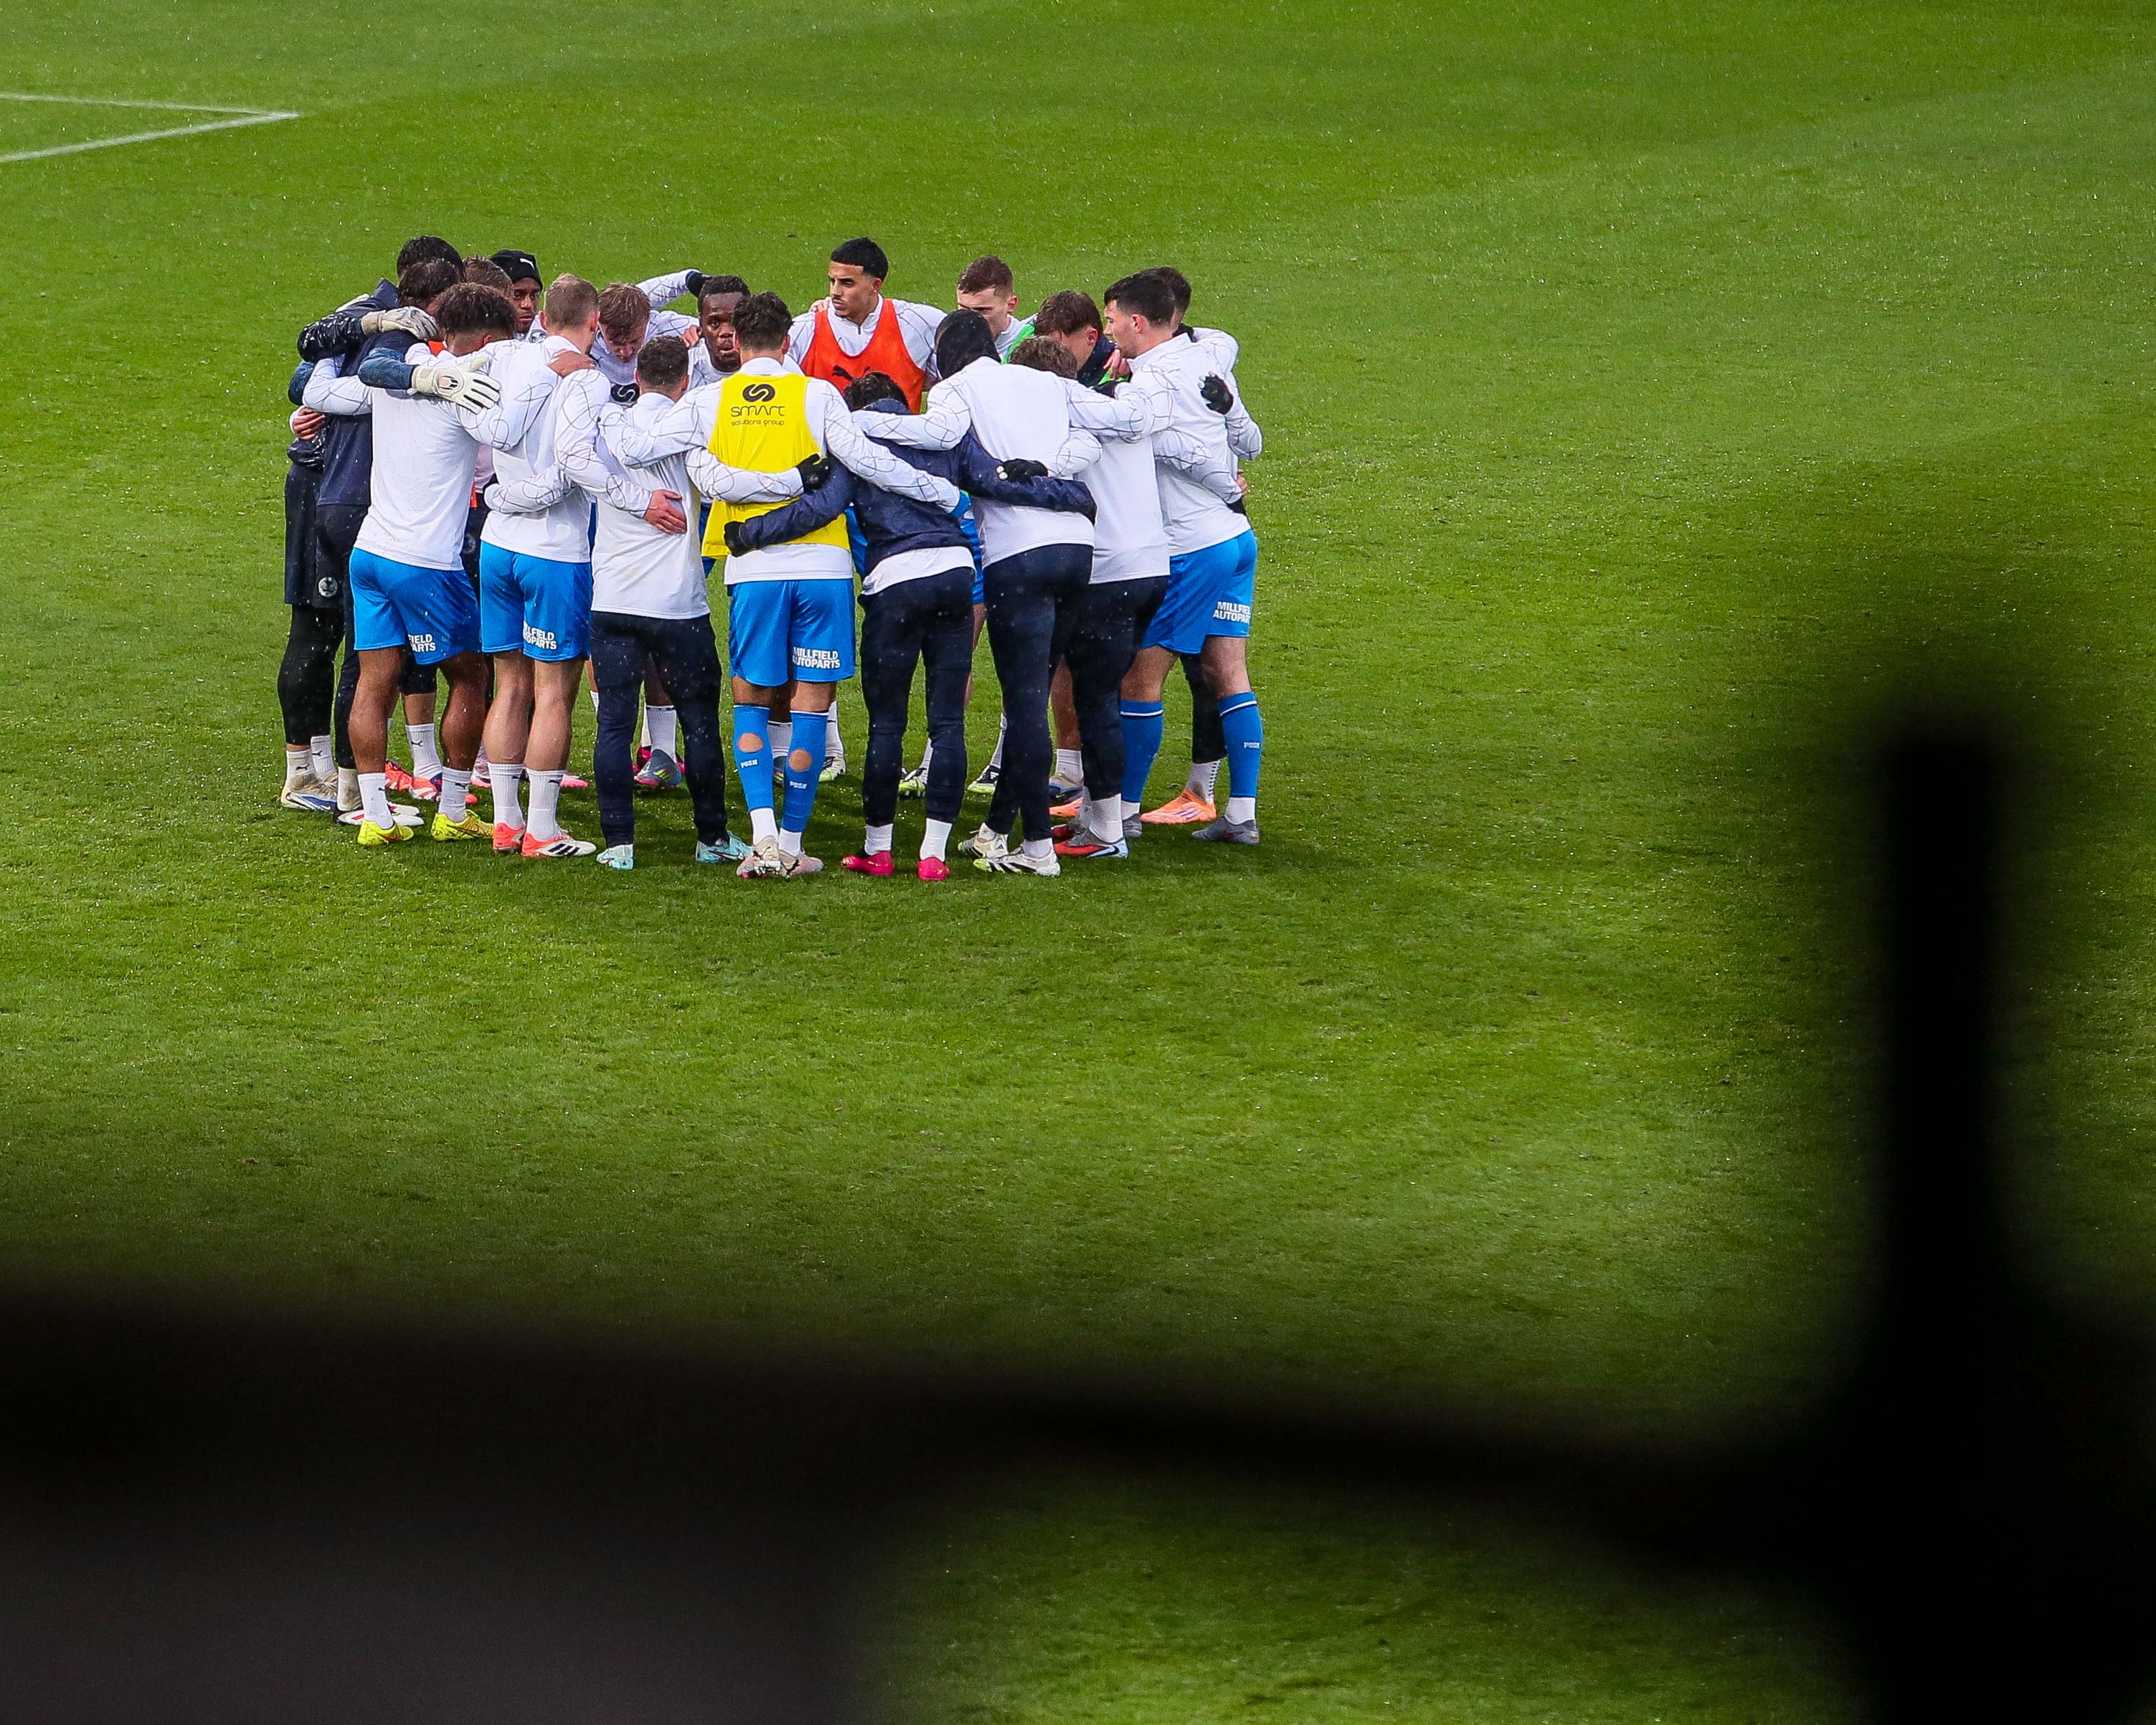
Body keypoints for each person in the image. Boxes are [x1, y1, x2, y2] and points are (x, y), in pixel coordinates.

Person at [724, 368, 1094, 879]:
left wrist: (750, 533)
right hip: (954, 575)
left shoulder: (854, 440)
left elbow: (822, 506)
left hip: (895, 582)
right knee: (947, 722)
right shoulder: (943, 436)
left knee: (888, 724)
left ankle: (878, 849)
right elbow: (999, 480)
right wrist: (1073, 495)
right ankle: (933, 855)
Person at [684, 291, 962, 878]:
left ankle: (762, 839)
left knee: (751, 697)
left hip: (754, 568)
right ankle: (792, 844)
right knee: (812, 701)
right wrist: (939, 493)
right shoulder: (819, 394)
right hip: (823, 567)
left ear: (738, 340)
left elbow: (700, 475)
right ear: (788, 340)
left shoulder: (709, 400)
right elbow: (867, 462)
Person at [857, 311, 1138, 876]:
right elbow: (1115, 425)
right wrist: (1067, 487)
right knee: (1039, 689)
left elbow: (946, 444)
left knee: (1026, 703)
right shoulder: (1046, 381)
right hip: (1077, 550)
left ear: (944, 359)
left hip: (1018, 555)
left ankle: (1038, 849)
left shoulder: (955, 390)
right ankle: (1003, 831)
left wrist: (857, 422)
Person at [488, 336, 750, 870]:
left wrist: (495, 494)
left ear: (637, 378)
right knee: (699, 724)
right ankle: (712, 838)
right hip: (679, 607)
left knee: (613, 724)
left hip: (613, 605)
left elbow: (573, 465)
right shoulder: (690, 431)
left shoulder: (604, 429)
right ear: (684, 383)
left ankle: (619, 844)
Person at [466, 273, 687, 859]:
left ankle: (506, 822)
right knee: (552, 693)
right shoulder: (584, 379)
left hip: (498, 545)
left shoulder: (507, 357)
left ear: (542, 317)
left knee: (509, 685)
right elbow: (575, 460)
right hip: (554, 553)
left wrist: (500, 495)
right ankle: (542, 827)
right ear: (594, 323)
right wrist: (640, 500)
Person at [341, 283, 514, 846]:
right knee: (471, 675)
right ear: (485, 341)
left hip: (371, 551)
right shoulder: (470, 387)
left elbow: (376, 364)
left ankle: (376, 818)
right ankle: (454, 809)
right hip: (428, 563)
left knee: (375, 681)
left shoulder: (406, 362)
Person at [301, 254, 465, 823]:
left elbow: (313, 387)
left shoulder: (378, 369)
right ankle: (447, 803)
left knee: (370, 668)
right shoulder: (455, 375)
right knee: (469, 674)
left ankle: (365, 803)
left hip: (364, 532)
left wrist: (342, 338)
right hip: (412, 544)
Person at [1102, 271, 1264, 845]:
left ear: (1137, 322)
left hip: (1194, 547)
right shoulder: (1208, 358)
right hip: (1236, 540)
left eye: (1112, 320)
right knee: (1228, 672)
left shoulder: (1151, 382)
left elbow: (1173, 446)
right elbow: (1252, 443)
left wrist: (1111, 408)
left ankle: (1122, 812)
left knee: (1140, 676)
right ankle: (1241, 814)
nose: (1109, 331)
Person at [1005, 336, 1170, 860]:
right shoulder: (1118, 405)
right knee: (1103, 695)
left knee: (1097, 700)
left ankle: (1108, 832)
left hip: (1109, 573)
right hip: (1152, 566)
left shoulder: (1063, 419)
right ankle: (1098, 816)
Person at [275, 367, 340, 810]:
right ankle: (299, 774)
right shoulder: (357, 331)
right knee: (313, 631)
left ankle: (322, 765)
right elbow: (303, 377)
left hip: (341, 487)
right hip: (321, 488)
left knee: (332, 633)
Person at [788, 237, 945, 410]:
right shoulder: (803, 330)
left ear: (875, 286)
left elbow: (962, 378)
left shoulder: (917, 324)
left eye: (847, 283)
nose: (835, 292)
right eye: (832, 281)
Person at [955, 255, 1034, 359]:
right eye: (964, 309)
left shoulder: (1033, 347)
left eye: (982, 310)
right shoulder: (947, 342)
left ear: (1011, 305)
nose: (971, 320)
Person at [688, 274, 751, 387]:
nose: (726, 332)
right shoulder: (685, 369)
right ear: (701, 327)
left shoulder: (776, 365)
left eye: (735, 321)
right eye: (715, 324)